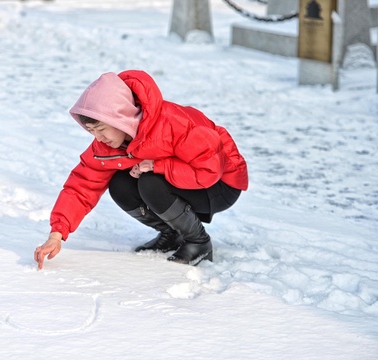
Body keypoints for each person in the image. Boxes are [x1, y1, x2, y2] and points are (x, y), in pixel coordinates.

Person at [34, 70, 248, 270]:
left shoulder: (173, 124)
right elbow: (81, 186)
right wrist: (57, 234)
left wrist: (158, 166)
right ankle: (171, 234)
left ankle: (198, 242)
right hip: (185, 181)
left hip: (220, 184)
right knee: (120, 184)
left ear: (120, 118)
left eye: (100, 129)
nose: (98, 137)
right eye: (91, 131)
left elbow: (209, 169)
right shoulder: (106, 146)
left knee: (150, 182)